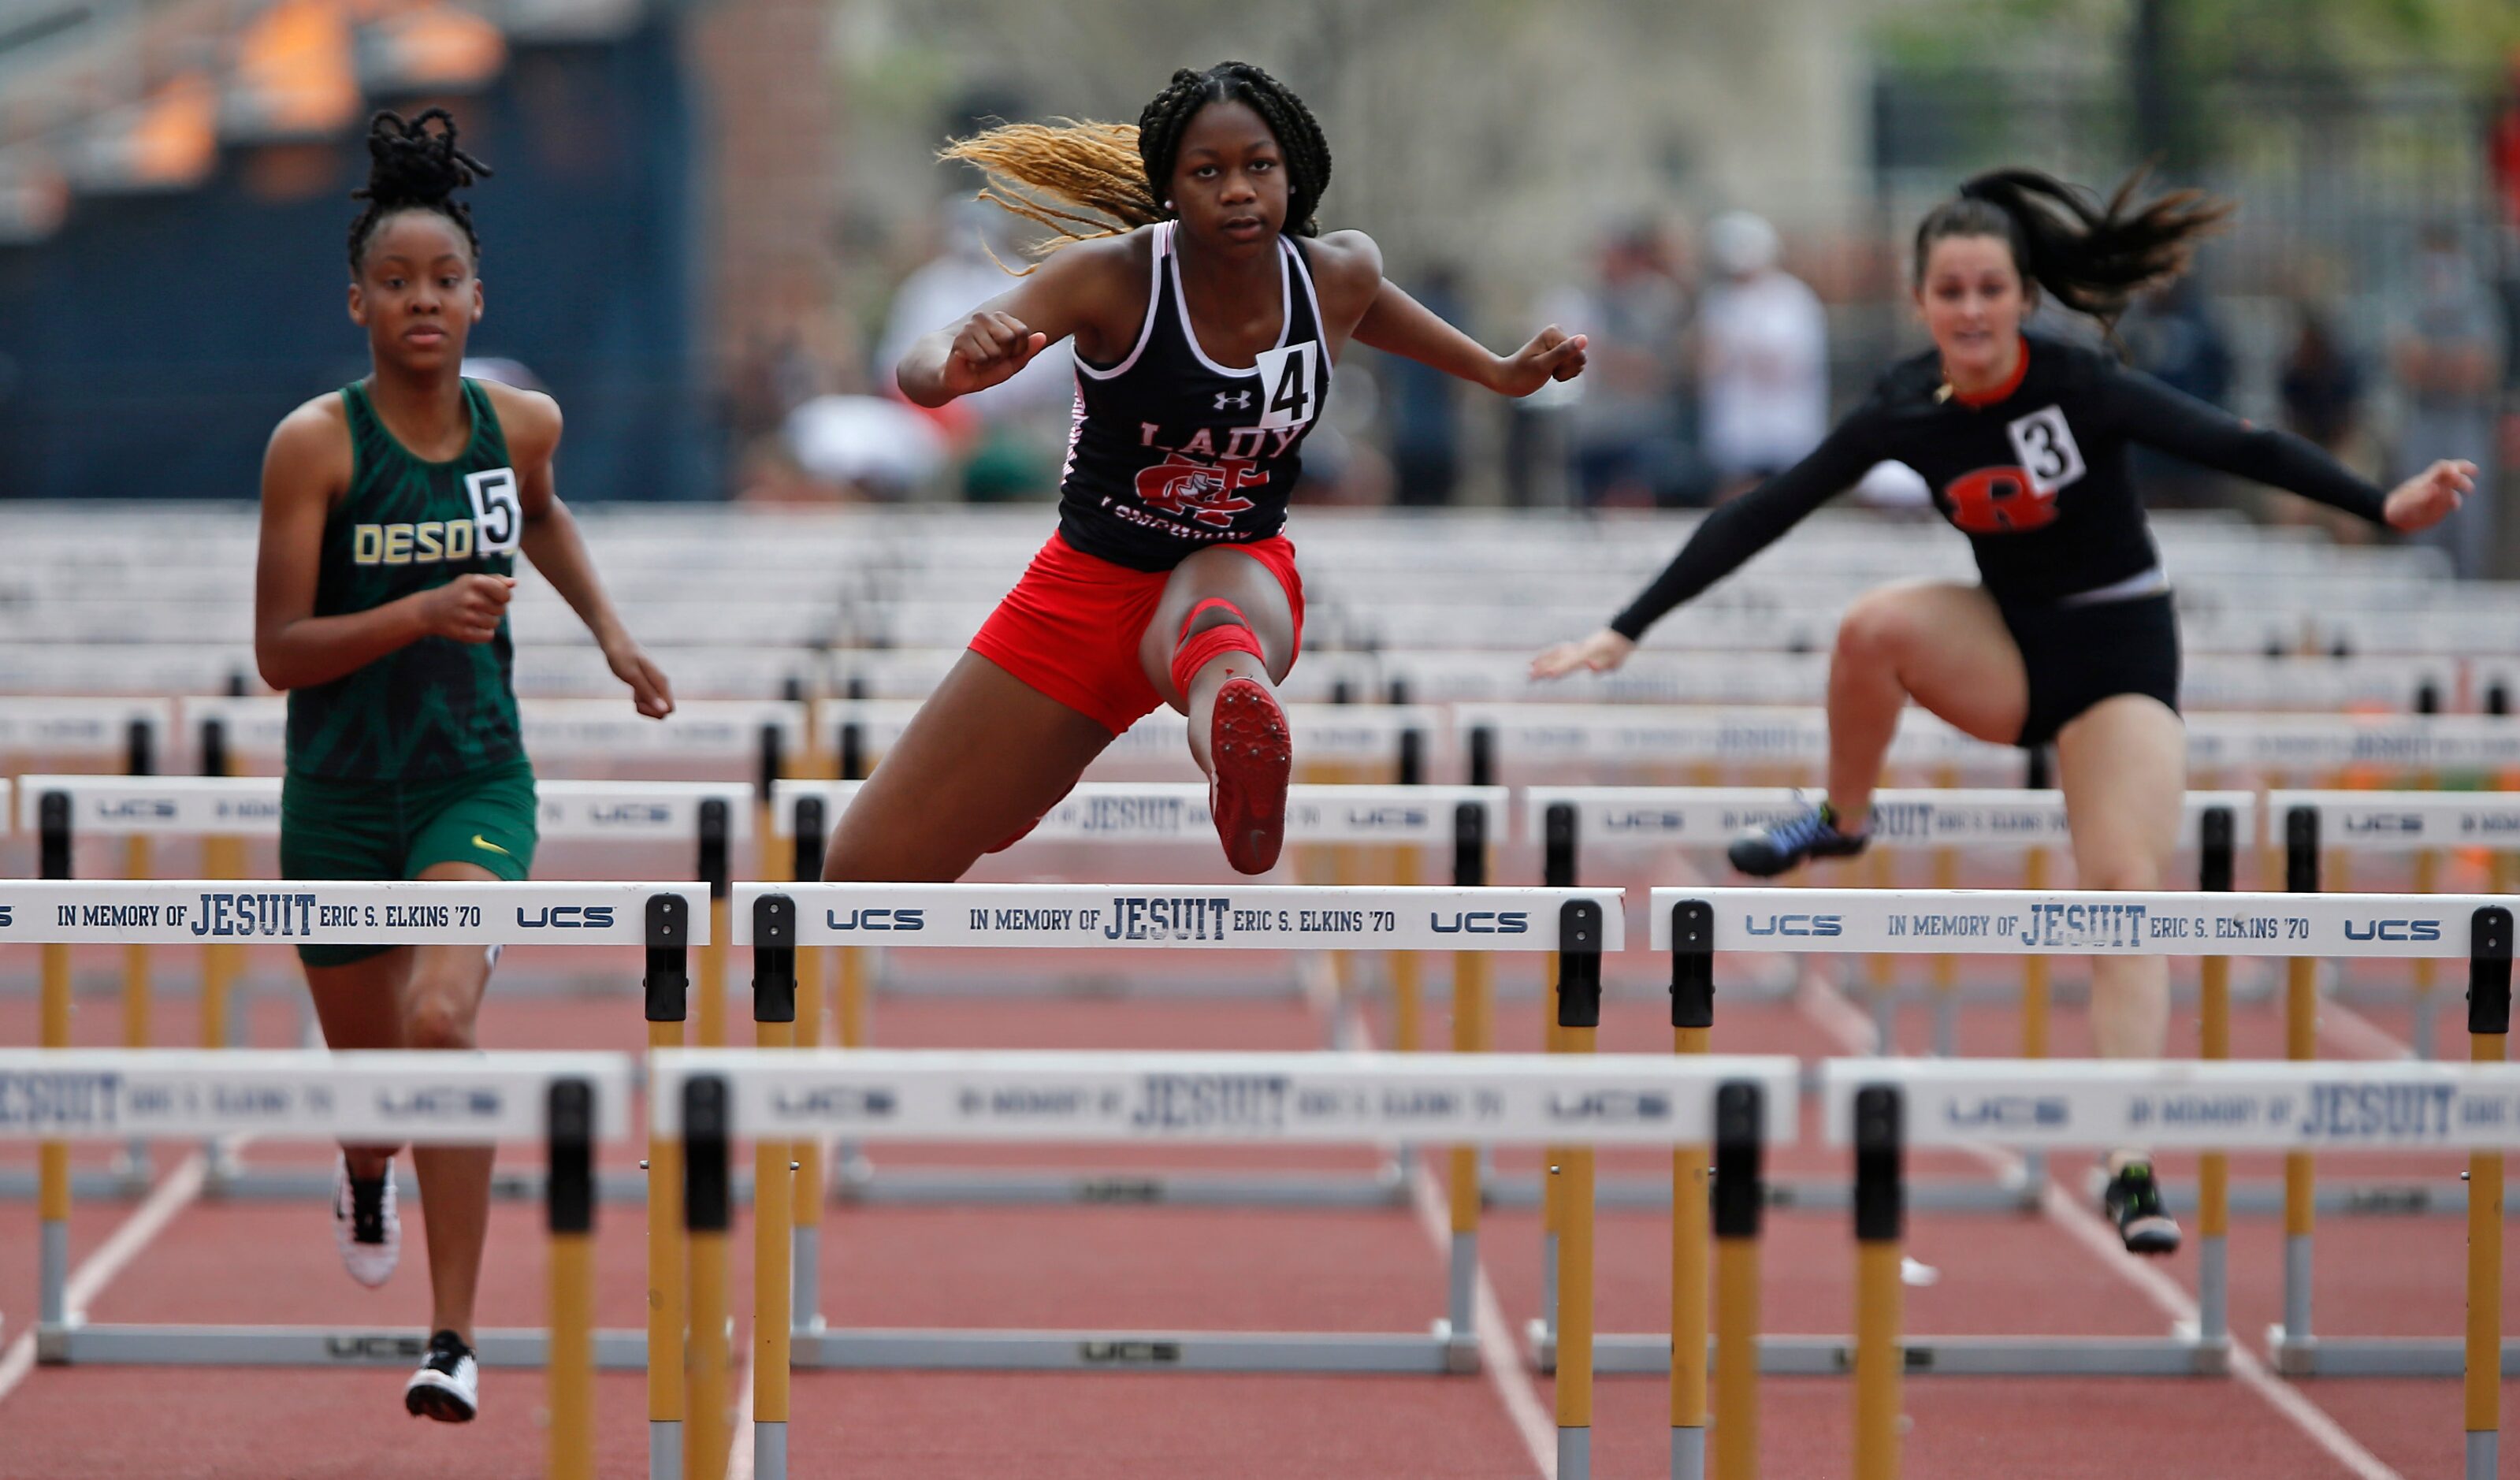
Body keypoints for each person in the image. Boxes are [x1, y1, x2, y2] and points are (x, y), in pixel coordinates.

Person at [1533, 166, 2473, 1255]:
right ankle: (1839, 815)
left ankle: (2127, 1159)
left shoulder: (2079, 382)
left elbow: (2238, 443)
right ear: (1921, 302)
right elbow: (1766, 513)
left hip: (2118, 654)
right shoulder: (1901, 404)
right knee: (1873, 623)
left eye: (1988, 289)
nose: (1969, 311)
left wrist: (2380, 502)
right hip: (2005, 645)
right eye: (1949, 292)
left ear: (2021, 298)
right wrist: (1627, 625)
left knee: (2122, 891)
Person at [831, 61, 1585, 881]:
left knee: (1214, 616)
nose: (1237, 190)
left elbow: (1380, 314)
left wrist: (1504, 372)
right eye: (1207, 172)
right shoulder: (1113, 277)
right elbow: (922, 356)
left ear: (1294, 174)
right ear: (1169, 189)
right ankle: (1169, 725)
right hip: (1083, 590)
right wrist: (949, 370)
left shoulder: (1337, 275)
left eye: (1259, 166)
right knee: (866, 869)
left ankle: (1239, 747)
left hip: (1236, 571)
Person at [252, 109, 672, 1421]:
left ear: (477, 296)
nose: (421, 301)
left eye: (443, 281)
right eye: (396, 283)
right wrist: (416, 613)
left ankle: (453, 1337)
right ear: (358, 301)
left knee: (443, 1020)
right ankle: (367, 1160)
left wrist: (612, 634)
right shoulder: (313, 445)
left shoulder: (520, 424)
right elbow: (278, 651)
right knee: (379, 1092)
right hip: (334, 794)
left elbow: (541, 515)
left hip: (471, 778)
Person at [1697, 210, 1828, 492]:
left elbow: (1785, 364)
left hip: (1785, 428)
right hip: (1737, 429)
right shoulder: (1719, 301)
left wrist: (1740, 347)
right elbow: (1707, 362)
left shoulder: (1792, 299)